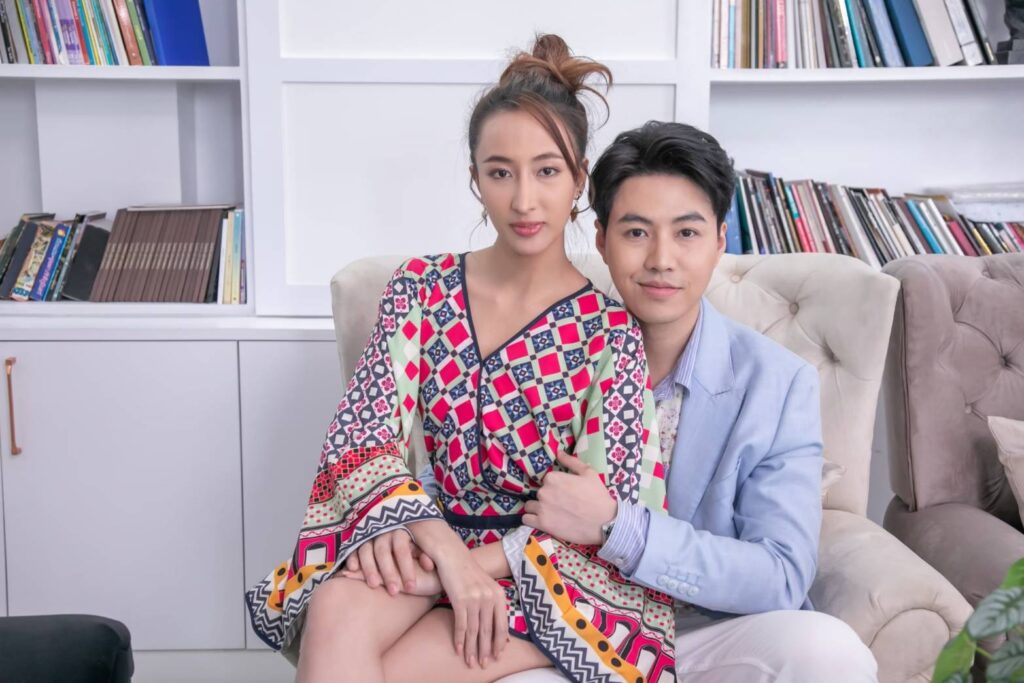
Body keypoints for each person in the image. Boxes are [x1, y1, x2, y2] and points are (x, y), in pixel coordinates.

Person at [371, 121, 879, 682]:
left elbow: (781, 574)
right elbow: (461, 466)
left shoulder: (777, 383)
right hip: (564, 625)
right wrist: (406, 524)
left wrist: (618, 527)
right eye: (636, 232)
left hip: (705, 633)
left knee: (830, 651)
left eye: (686, 233)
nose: (661, 259)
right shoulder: (551, 345)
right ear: (602, 238)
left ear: (719, 240)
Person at [246, 36, 677, 683]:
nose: (524, 200)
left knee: (399, 669)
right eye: (501, 172)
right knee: (333, 608)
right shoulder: (419, 289)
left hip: (547, 571)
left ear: (579, 179)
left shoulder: (609, 334)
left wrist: (474, 568)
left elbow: (600, 511)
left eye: (547, 171)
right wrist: (443, 552)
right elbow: (362, 437)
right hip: (428, 536)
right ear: (475, 179)